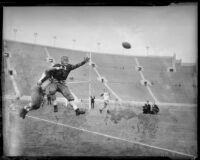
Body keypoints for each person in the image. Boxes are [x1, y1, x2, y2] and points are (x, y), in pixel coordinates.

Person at [19, 56, 90, 119]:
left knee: (68, 95)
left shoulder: (68, 67)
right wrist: (55, 68)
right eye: (65, 61)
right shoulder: (50, 73)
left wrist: (83, 62)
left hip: (59, 84)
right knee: (36, 104)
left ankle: (76, 110)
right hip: (40, 88)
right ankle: (25, 110)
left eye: (67, 61)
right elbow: (47, 73)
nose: (66, 63)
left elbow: (76, 66)